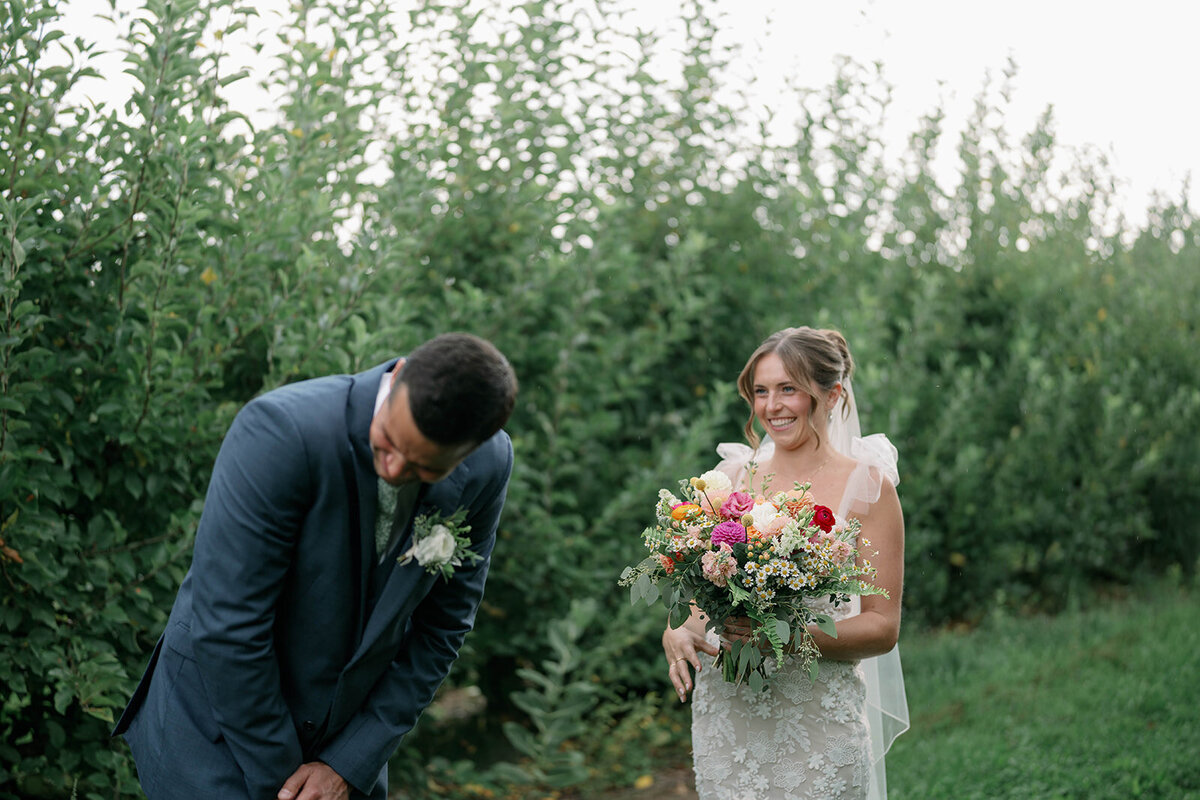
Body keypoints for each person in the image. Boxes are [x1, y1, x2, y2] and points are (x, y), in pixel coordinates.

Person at [113, 333, 517, 800]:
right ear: (399, 374)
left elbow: (442, 629)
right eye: (386, 441)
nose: (392, 468)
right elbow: (229, 626)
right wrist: (291, 786)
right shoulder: (282, 431)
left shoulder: (488, 466)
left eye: (421, 468)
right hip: (216, 730)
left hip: (343, 746)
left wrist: (347, 763)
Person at [661, 326, 909, 800]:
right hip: (728, 719)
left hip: (816, 720)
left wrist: (786, 639)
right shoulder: (730, 480)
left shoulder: (869, 487)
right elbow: (704, 606)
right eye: (761, 391)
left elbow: (882, 626)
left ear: (832, 394)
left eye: (788, 389)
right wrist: (680, 632)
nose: (771, 406)